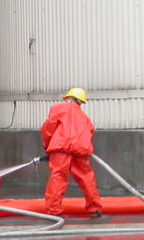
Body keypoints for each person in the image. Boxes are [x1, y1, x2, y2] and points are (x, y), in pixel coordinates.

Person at [41, 87, 103, 219]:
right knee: (86, 177)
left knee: (59, 177)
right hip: (80, 149)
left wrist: (47, 145)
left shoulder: (59, 109)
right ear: (81, 102)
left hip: (61, 147)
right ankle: (95, 209)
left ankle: (53, 211)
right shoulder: (85, 118)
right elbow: (89, 133)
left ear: (69, 98)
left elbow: (48, 128)